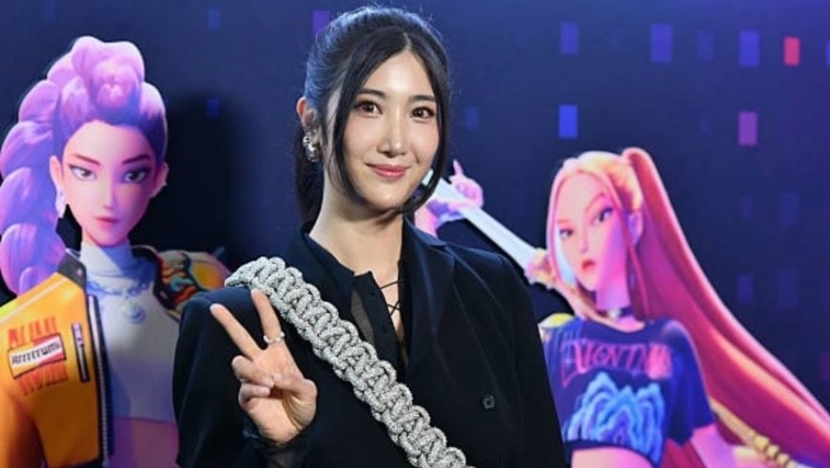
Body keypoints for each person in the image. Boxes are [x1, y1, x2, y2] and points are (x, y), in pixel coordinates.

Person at [172, 6, 567, 468]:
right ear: (312, 122)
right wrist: (283, 450)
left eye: (420, 112)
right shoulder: (233, 325)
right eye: (369, 107)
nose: (396, 142)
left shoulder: (491, 290)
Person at [418, 148, 830, 467]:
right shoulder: (558, 342)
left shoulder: (666, 343)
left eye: (600, 218)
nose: (582, 245)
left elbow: (717, 457)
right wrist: (429, 221)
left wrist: (783, 460)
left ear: (633, 223)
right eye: (567, 231)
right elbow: (456, 357)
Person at [0, 36, 228, 467]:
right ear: (58, 174)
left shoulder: (205, 281)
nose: (107, 198)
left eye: (131, 174)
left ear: (158, 177)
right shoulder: (16, 330)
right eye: (85, 172)